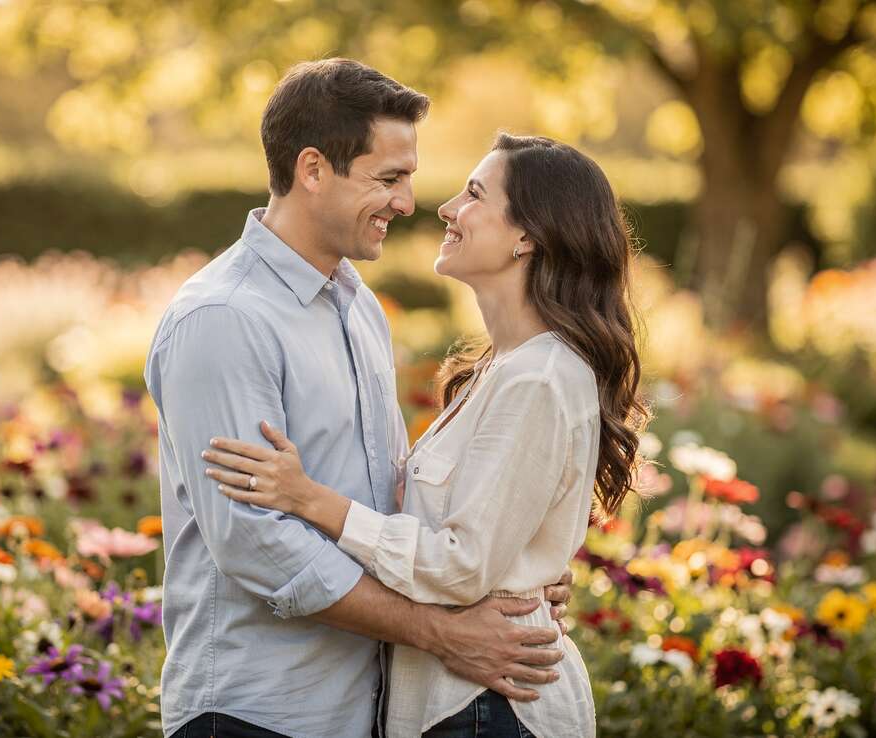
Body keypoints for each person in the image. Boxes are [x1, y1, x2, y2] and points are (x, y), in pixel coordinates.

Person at [144, 59, 574, 738]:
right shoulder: (226, 319)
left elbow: (389, 500)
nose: (408, 203)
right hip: (257, 712)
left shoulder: (358, 307)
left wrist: (510, 570)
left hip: (364, 709)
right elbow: (256, 542)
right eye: (388, 178)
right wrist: (439, 631)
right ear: (313, 170)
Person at [202, 133, 648, 737]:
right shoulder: (500, 370)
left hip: (491, 705)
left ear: (527, 236)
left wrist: (310, 500)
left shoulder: (538, 379)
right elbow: (479, 546)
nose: (444, 208)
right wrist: (521, 570)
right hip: (459, 700)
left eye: (474, 195)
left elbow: (462, 564)